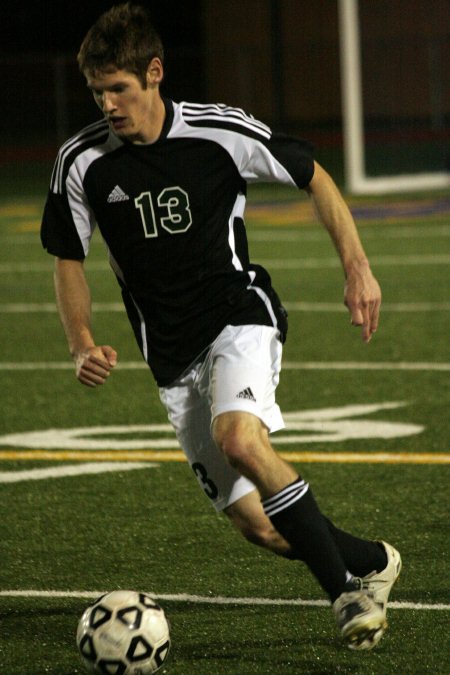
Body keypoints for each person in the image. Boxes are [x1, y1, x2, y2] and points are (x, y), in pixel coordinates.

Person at [41, 2, 401, 651]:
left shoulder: (217, 132)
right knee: (256, 524)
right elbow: (70, 256)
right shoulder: (82, 160)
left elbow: (314, 176)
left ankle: (345, 592)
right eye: (98, 91)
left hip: (239, 317)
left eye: (118, 88)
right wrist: (80, 343)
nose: (108, 105)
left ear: (154, 73)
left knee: (239, 438)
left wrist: (358, 267)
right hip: (170, 355)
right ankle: (372, 559)